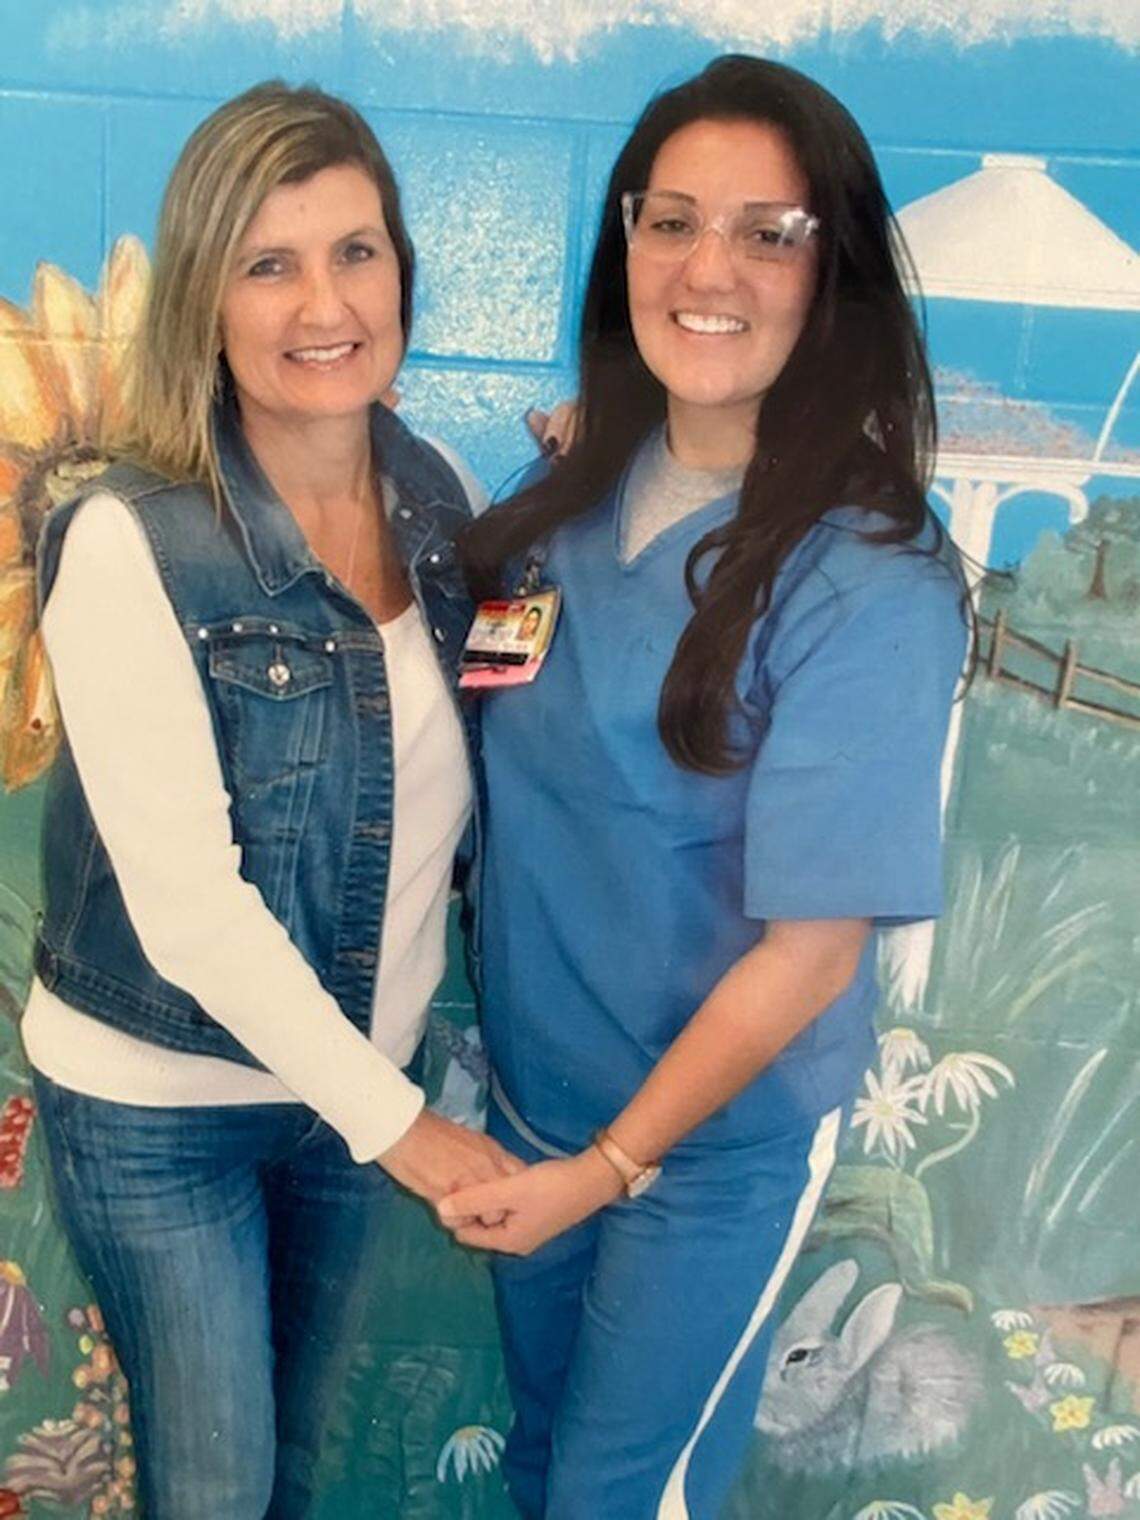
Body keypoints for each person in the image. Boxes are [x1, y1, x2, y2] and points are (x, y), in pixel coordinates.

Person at [446, 54, 970, 1519]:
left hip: (707, 1155)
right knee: (545, 1467)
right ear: (624, 246)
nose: (709, 268)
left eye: (767, 233)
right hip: (538, 1105)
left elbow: (812, 954)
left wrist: (610, 1164)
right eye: (670, 222)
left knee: (621, 1498)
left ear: (832, 272)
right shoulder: (557, 512)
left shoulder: (869, 578)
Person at [25, 82, 522, 1519]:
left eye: (356, 252)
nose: (324, 304)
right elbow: (189, 907)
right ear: (206, 302)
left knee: (298, 1464)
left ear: (402, 273)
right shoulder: (130, 539)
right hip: (164, 1099)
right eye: (269, 263)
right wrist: (400, 1125)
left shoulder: (437, 497)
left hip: (351, 1088)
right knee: (218, 1486)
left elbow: (487, 750)